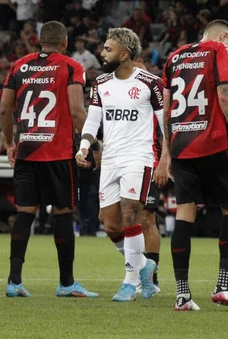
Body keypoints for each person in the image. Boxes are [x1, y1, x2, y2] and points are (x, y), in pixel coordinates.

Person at [0, 21, 97, 298]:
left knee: (25, 212)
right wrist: (94, 142)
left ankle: (14, 282)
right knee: (64, 212)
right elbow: (78, 111)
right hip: (58, 152)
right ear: (64, 42)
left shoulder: (19, 65)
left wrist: (10, 143)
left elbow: (5, 109)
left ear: (40, 41)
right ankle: (66, 284)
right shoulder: (71, 66)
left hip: (27, 150)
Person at [155, 20, 228, 311]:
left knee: (185, 214)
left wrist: (167, 152)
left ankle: (182, 295)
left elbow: (167, 111)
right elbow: (224, 94)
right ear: (223, 36)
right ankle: (223, 286)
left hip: (181, 145)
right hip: (213, 141)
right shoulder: (219, 48)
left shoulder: (174, 56)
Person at [76, 28, 162, 302]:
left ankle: (130, 282)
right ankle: (145, 266)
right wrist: (85, 146)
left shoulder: (151, 83)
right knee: (110, 224)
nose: (102, 53)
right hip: (111, 157)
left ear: (124, 55)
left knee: (130, 214)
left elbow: (165, 123)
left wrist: (167, 157)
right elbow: (93, 120)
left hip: (139, 156)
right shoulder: (101, 83)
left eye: (108, 49)